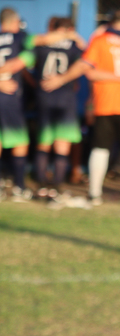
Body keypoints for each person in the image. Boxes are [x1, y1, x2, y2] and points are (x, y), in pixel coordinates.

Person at [41, 9, 120, 205]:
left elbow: (87, 69)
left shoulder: (101, 40)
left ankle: (95, 193)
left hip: (106, 101)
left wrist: (62, 79)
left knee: (101, 148)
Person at [0, 16, 86, 200]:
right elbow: (84, 63)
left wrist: (35, 84)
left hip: (44, 97)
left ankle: (40, 185)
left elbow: (25, 66)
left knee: (43, 143)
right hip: (65, 98)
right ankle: (56, 188)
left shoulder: (40, 45)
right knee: (62, 144)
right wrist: (63, 79)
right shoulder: (72, 45)